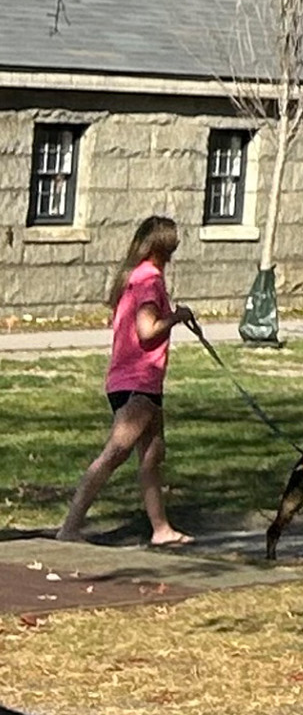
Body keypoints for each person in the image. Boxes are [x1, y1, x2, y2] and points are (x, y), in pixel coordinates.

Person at [60, 215, 197, 547]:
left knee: (152, 455)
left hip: (132, 379)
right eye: (172, 247)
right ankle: (70, 526)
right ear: (163, 248)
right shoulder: (149, 281)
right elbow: (147, 330)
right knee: (116, 452)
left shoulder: (132, 278)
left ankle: (161, 529)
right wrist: (177, 317)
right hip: (139, 381)